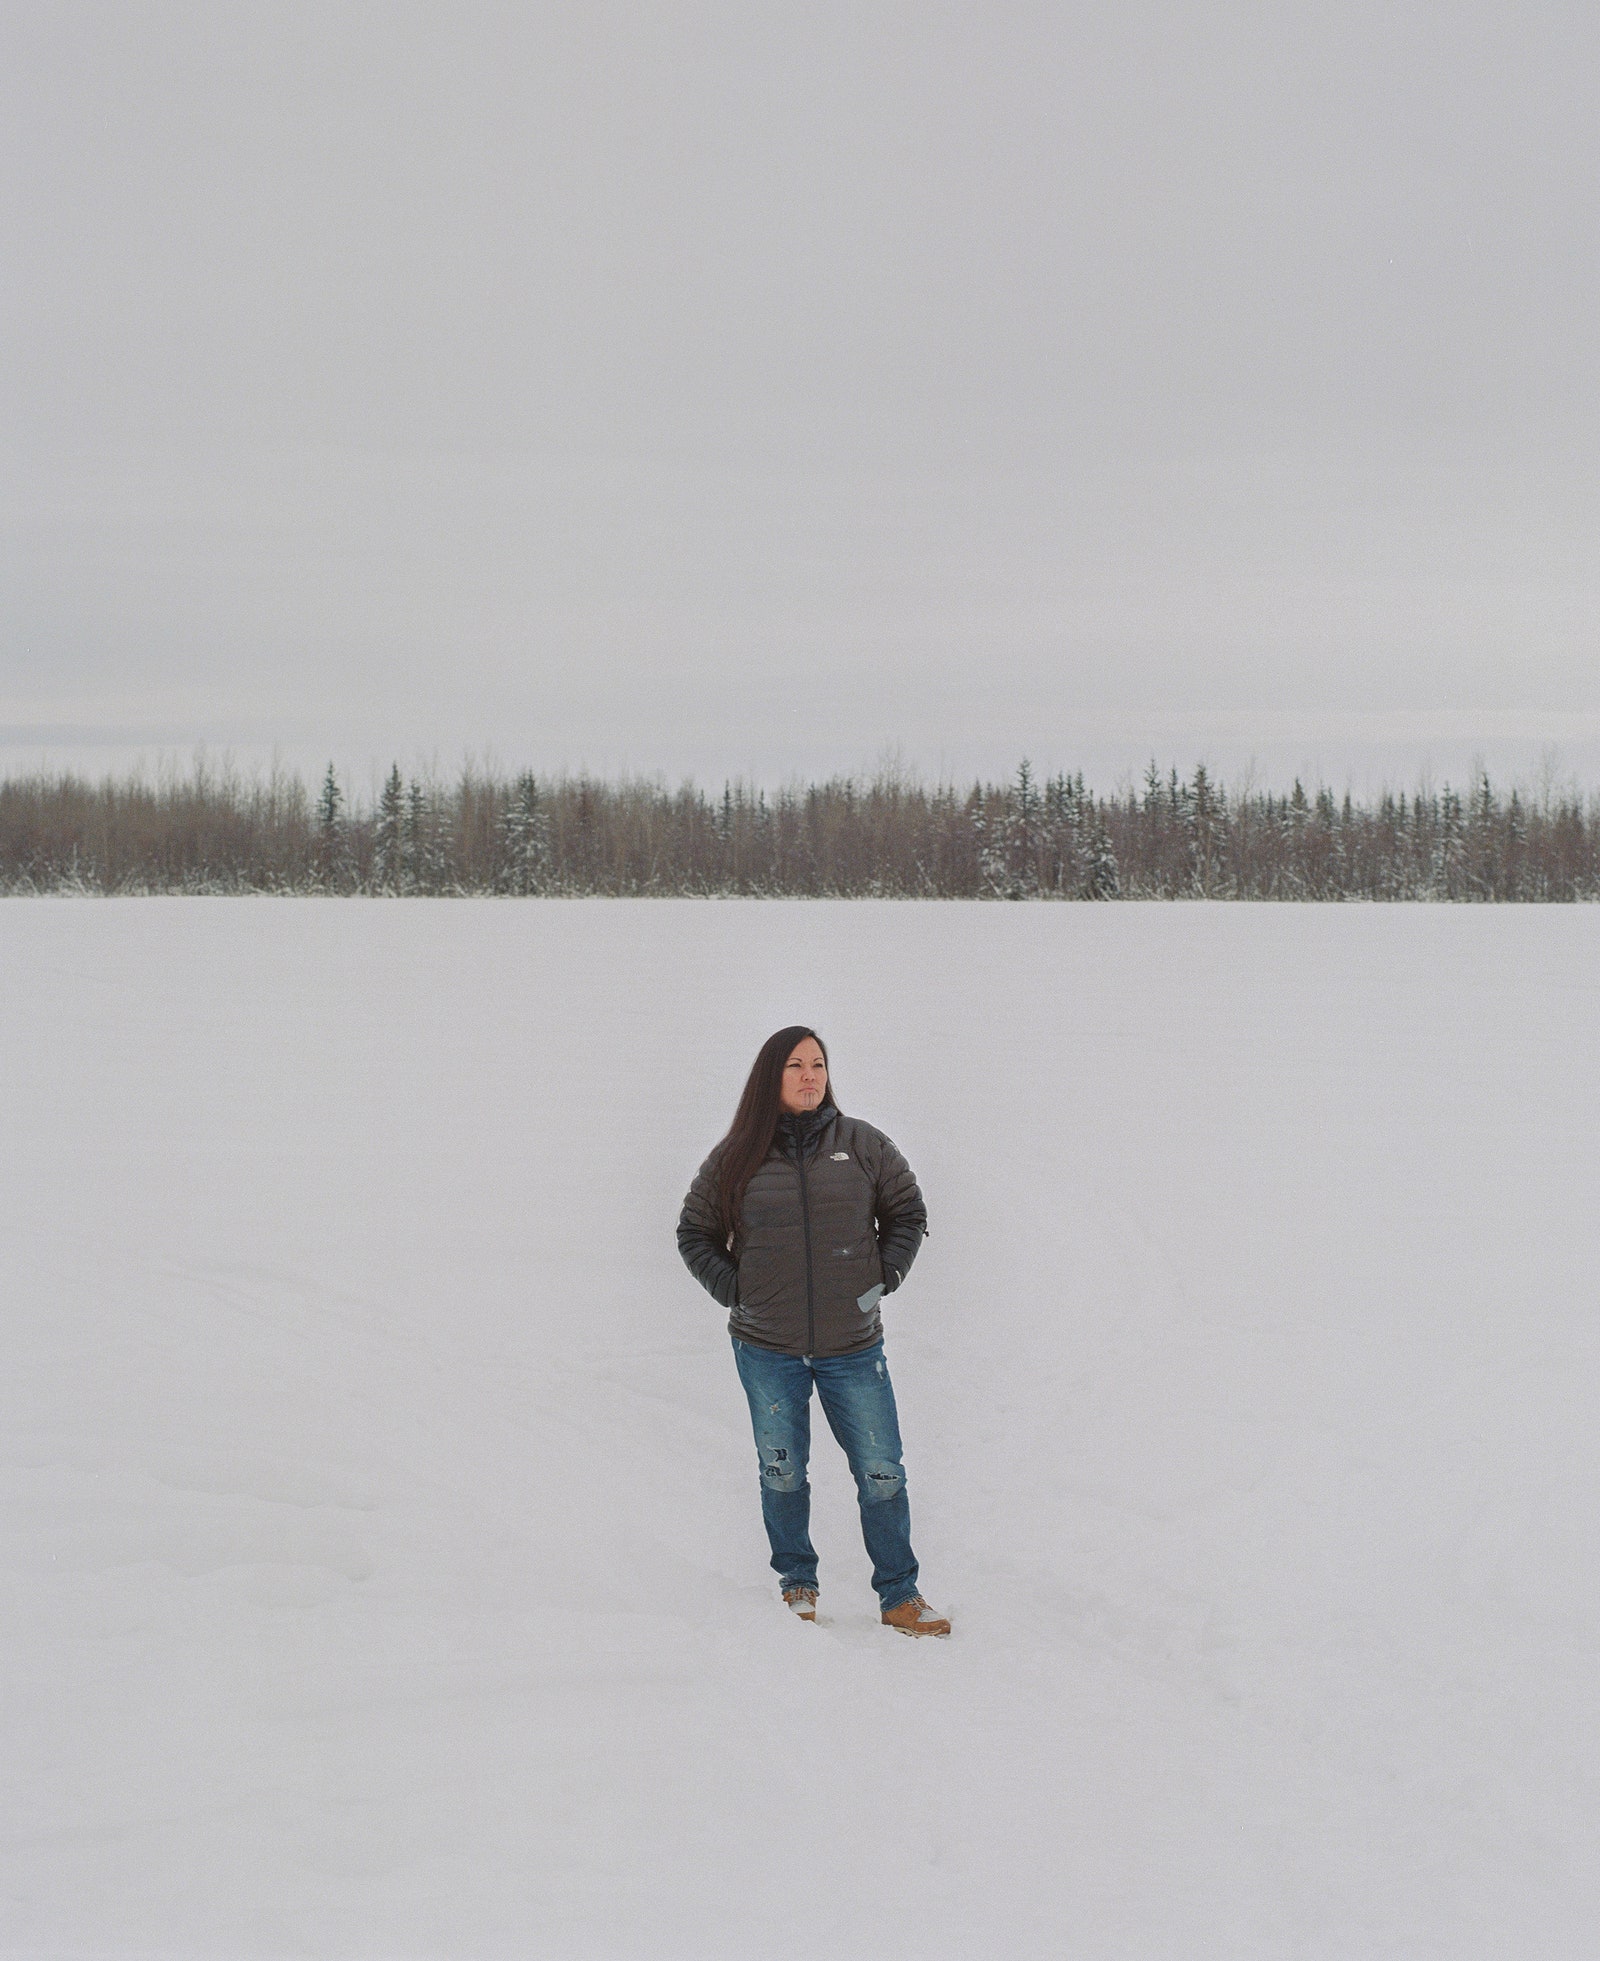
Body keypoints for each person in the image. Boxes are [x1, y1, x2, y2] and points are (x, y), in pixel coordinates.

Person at [677, 1026, 950, 1636]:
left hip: (852, 1346)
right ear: (770, 1076)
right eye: (796, 1065)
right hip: (766, 1348)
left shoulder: (862, 1145)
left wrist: (885, 1275)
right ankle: (797, 1584)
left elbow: (907, 1211)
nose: (809, 1076)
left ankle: (899, 1595)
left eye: (818, 1065)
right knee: (782, 1469)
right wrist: (736, 1289)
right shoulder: (736, 1157)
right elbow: (693, 1233)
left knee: (882, 1470)